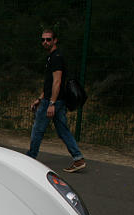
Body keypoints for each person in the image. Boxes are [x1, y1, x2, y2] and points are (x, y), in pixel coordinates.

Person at [28, 29, 86, 172]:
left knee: (37, 130)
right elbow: (49, 84)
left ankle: (30, 159)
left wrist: (51, 103)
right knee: (62, 130)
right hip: (53, 100)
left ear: (55, 40)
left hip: (53, 102)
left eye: (48, 39)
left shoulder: (56, 58)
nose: (45, 42)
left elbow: (57, 82)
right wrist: (39, 98)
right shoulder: (52, 57)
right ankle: (78, 158)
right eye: (43, 40)